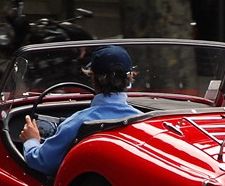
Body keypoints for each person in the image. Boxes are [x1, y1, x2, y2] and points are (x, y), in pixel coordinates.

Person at [18, 44, 142, 177]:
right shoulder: (141, 120)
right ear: (129, 79)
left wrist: (31, 140)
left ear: (93, 77)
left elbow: (43, 162)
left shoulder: (77, 123)